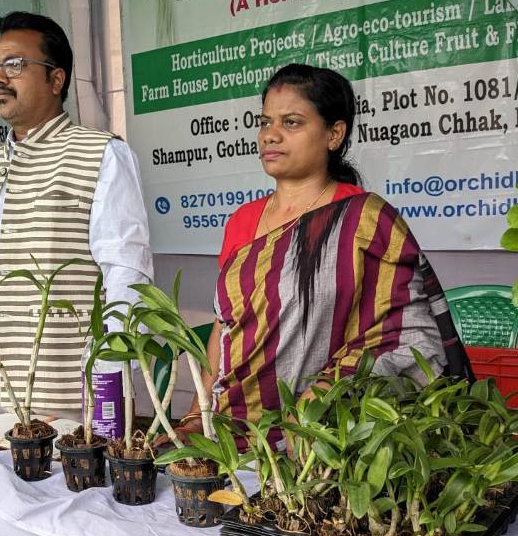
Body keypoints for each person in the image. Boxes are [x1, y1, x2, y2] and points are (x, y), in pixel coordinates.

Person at [174, 63, 467, 444]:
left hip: (330, 440)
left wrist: (327, 394)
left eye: (291, 122)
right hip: (236, 432)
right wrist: (201, 411)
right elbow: (225, 326)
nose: (270, 136)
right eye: (265, 123)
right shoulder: (242, 222)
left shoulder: (365, 219)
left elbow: (407, 332)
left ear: (334, 134)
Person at [0, 11, 153, 419]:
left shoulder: (100, 153)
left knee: (65, 483)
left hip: (65, 383)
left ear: (56, 80)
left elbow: (128, 273)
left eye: (15, 65)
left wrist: (108, 372)